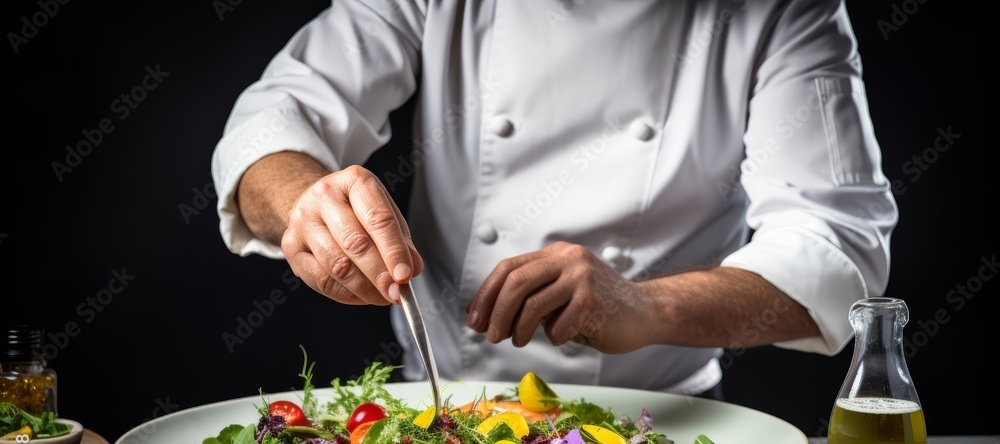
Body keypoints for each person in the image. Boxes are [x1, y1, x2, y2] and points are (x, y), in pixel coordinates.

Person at [211, 0, 897, 399]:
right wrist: (307, 198)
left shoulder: (784, 11)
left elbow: (837, 246)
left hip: (660, 426)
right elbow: (276, 118)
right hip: (438, 412)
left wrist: (646, 306)